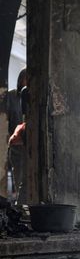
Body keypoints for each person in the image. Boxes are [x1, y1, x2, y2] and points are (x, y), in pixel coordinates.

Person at [6, 69, 27, 203]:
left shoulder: (31, 97)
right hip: (14, 145)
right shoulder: (11, 96)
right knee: (16, 178)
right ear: (21, 79)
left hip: (27, 145)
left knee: (25, 182)